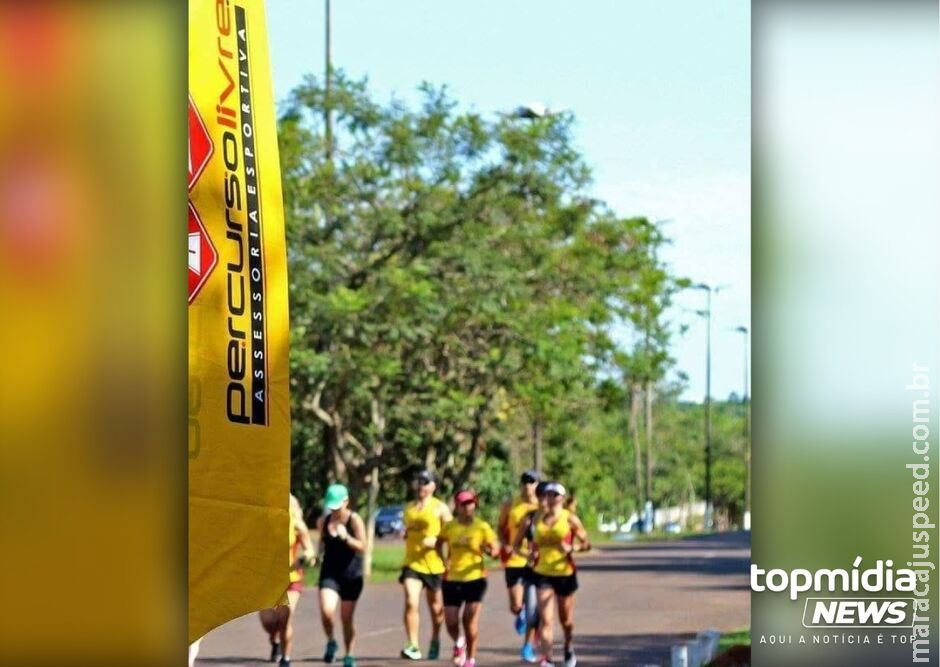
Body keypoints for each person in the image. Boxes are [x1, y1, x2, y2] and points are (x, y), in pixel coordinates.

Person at [511, 482, 590, 667]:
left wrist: (572, 548)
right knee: (546, 620)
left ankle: (568, 646)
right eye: (548, 494)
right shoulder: (534, 519)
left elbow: (586, 544)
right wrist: (527, 554)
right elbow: (516, 545)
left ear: (562, 498)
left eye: (555, 495)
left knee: (566, 620)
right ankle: (548, 659)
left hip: (564, 573)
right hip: (542, 573)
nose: (551, 498)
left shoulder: (570, 519)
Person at [439, 490, 499, 667]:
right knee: (450, 621)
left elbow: (495, 549)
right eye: (464, 504)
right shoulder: (450, 527)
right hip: (452, 577)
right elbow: (438, 543)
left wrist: (489, 551)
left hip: (475, 579)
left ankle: (471, 658)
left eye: (470, 503)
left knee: (468, 620)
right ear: (457, 506)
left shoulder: (482, 527)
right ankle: (459, 642)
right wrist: (444, 561)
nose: (467, 508)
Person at [399, 469, 453, 660]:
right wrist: (405, 534)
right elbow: (407, 530)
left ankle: (436, 639)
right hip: (412, 563)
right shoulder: (409, 508)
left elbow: (452, 533)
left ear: (433, 486)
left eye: (426, 482)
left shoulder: (441, 508)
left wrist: (436, 541)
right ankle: (413, 645)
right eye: (419, 481)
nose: (421, 485)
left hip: (434, 565)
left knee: (436, 607)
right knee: (411, 601)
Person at [259, 493, 315, 667]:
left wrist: (306, 557)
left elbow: (310, 553)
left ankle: (286, 658)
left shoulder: (297, 525)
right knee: (269, 622)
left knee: (285, 618)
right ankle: (274, 640)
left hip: (291, 578)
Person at [314, 483, 366, 667]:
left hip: (351, 575)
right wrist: (316, 556)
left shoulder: (354, 520)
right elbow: (321, 542)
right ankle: (331, 641)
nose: (334, 510)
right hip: (330, 573)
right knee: (327, 612)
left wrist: (346, 537)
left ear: (346, 501)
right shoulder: (324, 521)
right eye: (331, 506)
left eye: (337, 506)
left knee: (346, 618)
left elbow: (363, 546)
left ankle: (349, 653)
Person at [497, 470, 541, 662]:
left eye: (531, 482)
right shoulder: (511, 504)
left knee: (533, 608)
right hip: (515, 557)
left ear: (538, 484)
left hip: (535, 560)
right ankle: (519, 613)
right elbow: (500, 527)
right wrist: (504, 543)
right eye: (524, 482)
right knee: (516, 604)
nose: (527, 485)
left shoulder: (542, 505)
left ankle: (527, 646)